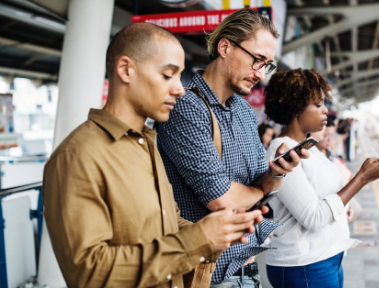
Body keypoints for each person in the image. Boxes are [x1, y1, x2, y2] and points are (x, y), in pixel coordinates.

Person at [43, 23, 266, 288]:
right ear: (126, 70)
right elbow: (88, 272)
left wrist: (219, 231)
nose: (180, 89)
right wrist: (197, 239)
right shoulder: (77, 156)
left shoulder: (146, 144)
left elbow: (166, 223)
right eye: (167, 75)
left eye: (179, 76)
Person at [157, 9, 308, 288]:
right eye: (257, 60)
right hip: (209, 276)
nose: (260, 74)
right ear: (225, 46)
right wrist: (262, 188)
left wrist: (277, 172)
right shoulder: (186, 108)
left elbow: (263, 189)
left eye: (267, 65)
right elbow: (222, 199)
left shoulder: (244, 111)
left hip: (247, 272)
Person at [263, 68, 379, 288]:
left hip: (326, 259)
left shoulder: (309, 149)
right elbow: (314, 217)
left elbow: (330, 195)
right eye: (318, 104)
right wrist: (362, 178)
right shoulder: (282, 151)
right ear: (296, 107)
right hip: (304, 266)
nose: (326, 111)